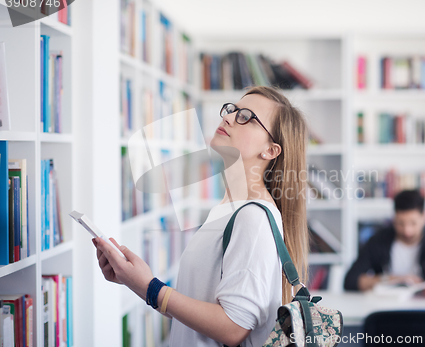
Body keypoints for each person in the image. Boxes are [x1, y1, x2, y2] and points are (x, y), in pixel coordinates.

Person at [92, 86, 310, 347]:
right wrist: (135, 281)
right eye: (232, 109)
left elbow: (233, 328)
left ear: (270, 151)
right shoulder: (229, 210)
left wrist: (149, 287)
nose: (228, 117)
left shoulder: (252, 218)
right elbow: (201, 308)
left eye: (246, 117)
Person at [344, 189, 425, 296]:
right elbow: (350, 281)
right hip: (385, 309)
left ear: (424, 217)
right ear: (393, 218)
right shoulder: (378, 240)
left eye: (413, 223)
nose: (407, 231)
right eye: (400, 223)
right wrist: (394, 279)